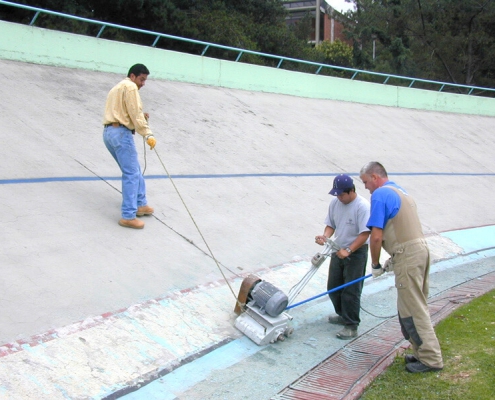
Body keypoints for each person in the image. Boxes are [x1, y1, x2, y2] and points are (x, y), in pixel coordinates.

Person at [359, 161, 443, 373]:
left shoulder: (379, 194)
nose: (366, 187)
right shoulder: (401, 191)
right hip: (419, 251)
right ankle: (420, 352)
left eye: (366, 182)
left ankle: (431, 360)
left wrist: (376, 264)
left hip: (409, 255)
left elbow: (376, 237)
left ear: (375, 178)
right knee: (413, 305)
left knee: (413, 308)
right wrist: (393, 260)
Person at [315, 174, 370, 340]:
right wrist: (325, 236)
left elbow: (365, 233)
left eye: (341, 194)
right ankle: (342, 314)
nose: (339, 197)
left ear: (351, 191)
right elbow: (330, 224)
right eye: (336, 194)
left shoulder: (362, 207)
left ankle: (351, 325)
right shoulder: (335, 203)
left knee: (351, 291)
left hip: (356, 252)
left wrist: (350, 250)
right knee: (333, 287)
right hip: (338, 249)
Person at [103, 63, 157, 229]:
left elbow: (126, 113)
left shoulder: (117, 88)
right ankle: (128, 215)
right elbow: (134, 113)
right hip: (121, 134)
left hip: (109, 133)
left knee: (134, 170)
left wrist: (140, 117)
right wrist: (147, 134)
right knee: (132, 173)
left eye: (145, 80)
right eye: (141, 79)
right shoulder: (131, 87)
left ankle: (141, 203)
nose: (143, 83)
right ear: (132, 76)